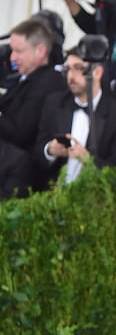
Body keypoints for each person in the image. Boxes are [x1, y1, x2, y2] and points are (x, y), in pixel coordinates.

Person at [35, 45, 116, 187]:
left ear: (98, 72)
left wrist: (88, 160)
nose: (71, 75)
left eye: (78, 68)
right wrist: (49, 150)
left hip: (95, 199)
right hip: (53, 195)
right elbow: (36, 150)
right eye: (68, 69)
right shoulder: (54, 103)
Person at [0, 18, 65, 199]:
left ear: (40, 51)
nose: (12, 57)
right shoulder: (25, 77)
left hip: (22, 179)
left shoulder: (48, 83)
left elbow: (21, 132)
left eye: (18, 51)